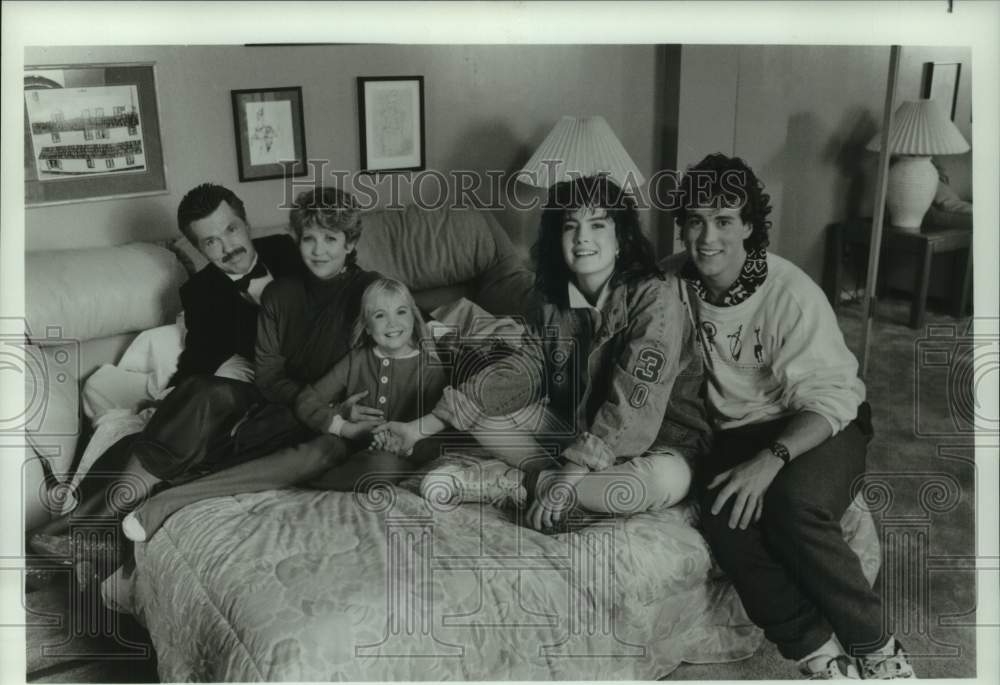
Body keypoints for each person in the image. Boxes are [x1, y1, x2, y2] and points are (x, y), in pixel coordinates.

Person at [672, 152, 915, 680]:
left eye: (724, 221)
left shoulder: (790, 293)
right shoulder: (674, 288)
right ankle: (820, 654)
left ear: (749, 228)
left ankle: (879, 651)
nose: (707, 238)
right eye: (695, 221)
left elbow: (831, 398)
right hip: (738, 430)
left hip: (820, 421)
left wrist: (773, 458)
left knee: (791, 503)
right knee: (725, 513)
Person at [375, 175, 710, 533]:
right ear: (558, 239)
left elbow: (634, 403)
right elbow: (521, 373)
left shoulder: (656, 298)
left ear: (621, 240)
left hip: (659, 445)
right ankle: (550, 482)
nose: (582, 237)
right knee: (483, 407)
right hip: (577, 432)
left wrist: (566, 479)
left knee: (657, 484)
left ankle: (517, 483)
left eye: (598, 224)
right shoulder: (553, 301)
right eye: (571, 226)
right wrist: (417, 428)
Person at [29, 183, 305, 575]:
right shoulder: (201, 291)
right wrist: (171, 402)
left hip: (306, 392)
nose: (227, 246)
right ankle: (79, 534)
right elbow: (199, 360)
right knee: (198, 399)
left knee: (196, 420)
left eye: (231, 230)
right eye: (211, 242)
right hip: (251, 390)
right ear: (197, 248)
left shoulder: (291, 251)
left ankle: (75, 530)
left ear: (246, 222)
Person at [122, 278, 448, 541]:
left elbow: (442, 428)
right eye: (380, 315)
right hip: (338, 445)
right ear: (366, 324)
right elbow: (308, 400)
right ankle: (166, 501)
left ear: (414, 317)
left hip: (383, 460)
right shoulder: (358, 359)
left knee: (379, 469)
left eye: (401, 312)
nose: (393, 323)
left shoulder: (431, 365)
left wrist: (405, 441)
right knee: (310, 453)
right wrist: (343, 427)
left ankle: (299, 479)